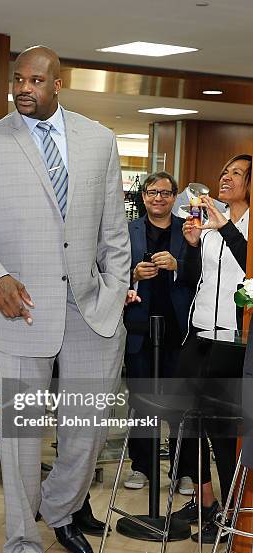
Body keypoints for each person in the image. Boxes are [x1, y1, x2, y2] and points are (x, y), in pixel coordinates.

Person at [0, 46, 130, 553]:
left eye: (34, 80)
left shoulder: (99, 139)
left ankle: (62, 506)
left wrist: (116, 292)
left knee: (88, 426)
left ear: (58, 83)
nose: (23, 88)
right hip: (21, 308)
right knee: (23, 434)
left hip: (92, 309)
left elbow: (115, 231)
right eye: (17, 79)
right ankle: (23, 539)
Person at [172, 153, 252, 543]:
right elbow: (191, 278)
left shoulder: (244, 224)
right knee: (183, 418)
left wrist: (226, 230)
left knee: (222, 429)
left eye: (236, 174)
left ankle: (233, 511)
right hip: (198, 333)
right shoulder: (208, 219)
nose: (225, 178)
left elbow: (249, 266)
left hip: (233, 341)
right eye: (223, 171)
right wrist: (190, 244)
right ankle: (205, 504)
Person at [123, 171, 200, 494]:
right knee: (142, 404)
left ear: (175, 196)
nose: (158, 198)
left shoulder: (189, 231)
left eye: (165, 193)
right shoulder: (128, 231)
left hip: (178, 331)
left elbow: (202, 274)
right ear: (143, 197)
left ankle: (184, 472)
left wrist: (179, 266)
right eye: (152, 192)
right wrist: (133, 275)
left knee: (180, 406)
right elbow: (110, 272)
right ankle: (142, 466)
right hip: (140, 330)